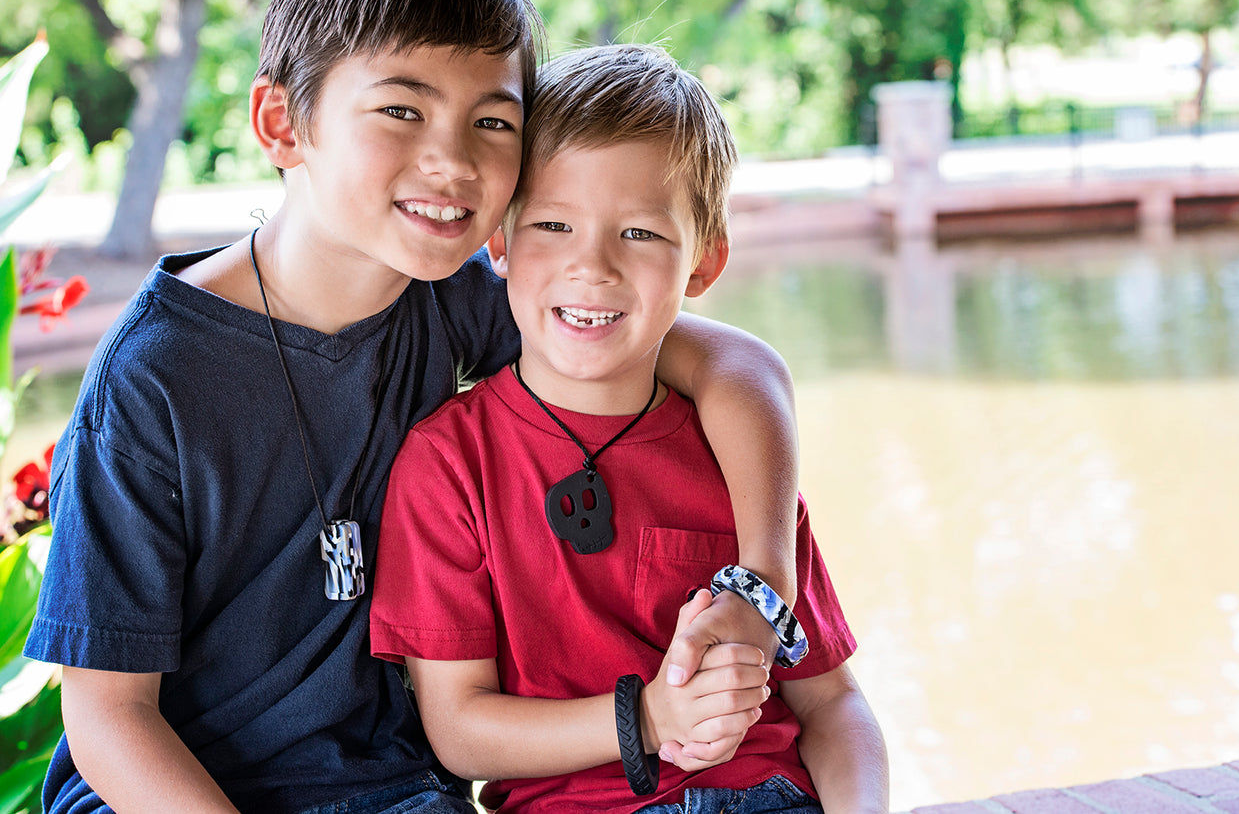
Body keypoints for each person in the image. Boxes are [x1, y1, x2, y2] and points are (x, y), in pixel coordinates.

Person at [23, 0, 805, 814]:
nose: (454, 161)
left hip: (390, 789)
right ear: (282, 124)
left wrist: (761, 584)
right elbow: (108, 717)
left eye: (493, 123)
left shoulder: (451, 296)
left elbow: (739, 365)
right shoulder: (153, 377)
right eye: (401, 110)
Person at [369, 43, 890, 814]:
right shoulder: (449, 462)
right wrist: (648, 716)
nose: (592, 267)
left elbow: (832, 703)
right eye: (552, 224)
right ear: (499, 244)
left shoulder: (735, 455)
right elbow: (460, 731)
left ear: (703, 264)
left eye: (639, 234)